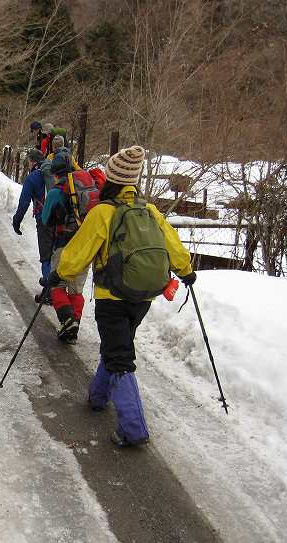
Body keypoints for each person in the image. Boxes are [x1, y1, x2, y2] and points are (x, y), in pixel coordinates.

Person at [45, 146, 197, 447]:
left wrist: (57, 274)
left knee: (120, 357)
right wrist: (186, 271)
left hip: (111, 296)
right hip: (142, 297)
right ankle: (98, 397)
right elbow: (174, 245)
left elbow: (78, 254)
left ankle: (132, 429)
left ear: (111, 179)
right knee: (118, 345)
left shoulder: (103, 213)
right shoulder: (149, 210)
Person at [40, 152, 90, 342]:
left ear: (54, 173)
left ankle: (68, 321)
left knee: (57, 285)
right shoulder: (86, 186)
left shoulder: (56, 191)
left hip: (64, 244)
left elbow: (46, 220)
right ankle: (73, 325)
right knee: (76, 290)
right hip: (85, 245)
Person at [12, 149, 53, 283]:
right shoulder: (54, 171)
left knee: (46, 254)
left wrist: (16, 221)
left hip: (44, 219)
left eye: (28, 162)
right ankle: (59, 287)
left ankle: (48, 287)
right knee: (58, 252)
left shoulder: (32, 177)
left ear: (32, 161)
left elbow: (24, 203)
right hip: (63, 217)